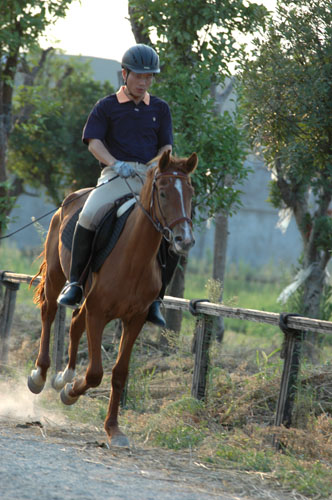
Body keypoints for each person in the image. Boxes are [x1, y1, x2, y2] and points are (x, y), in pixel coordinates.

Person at [57, 44, 176, 327]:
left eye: (149, 77)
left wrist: (155, 164)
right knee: (88, 214)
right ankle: (75, 283)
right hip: (115, 175)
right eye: (139, 76)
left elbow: (166, 146)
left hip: (148, 179)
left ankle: (157, 299)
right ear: (125, 74)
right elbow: (94, 142)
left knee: (172, 228)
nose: (144, 82)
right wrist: (114, 163)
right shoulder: (107, 106)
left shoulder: (160, 108)